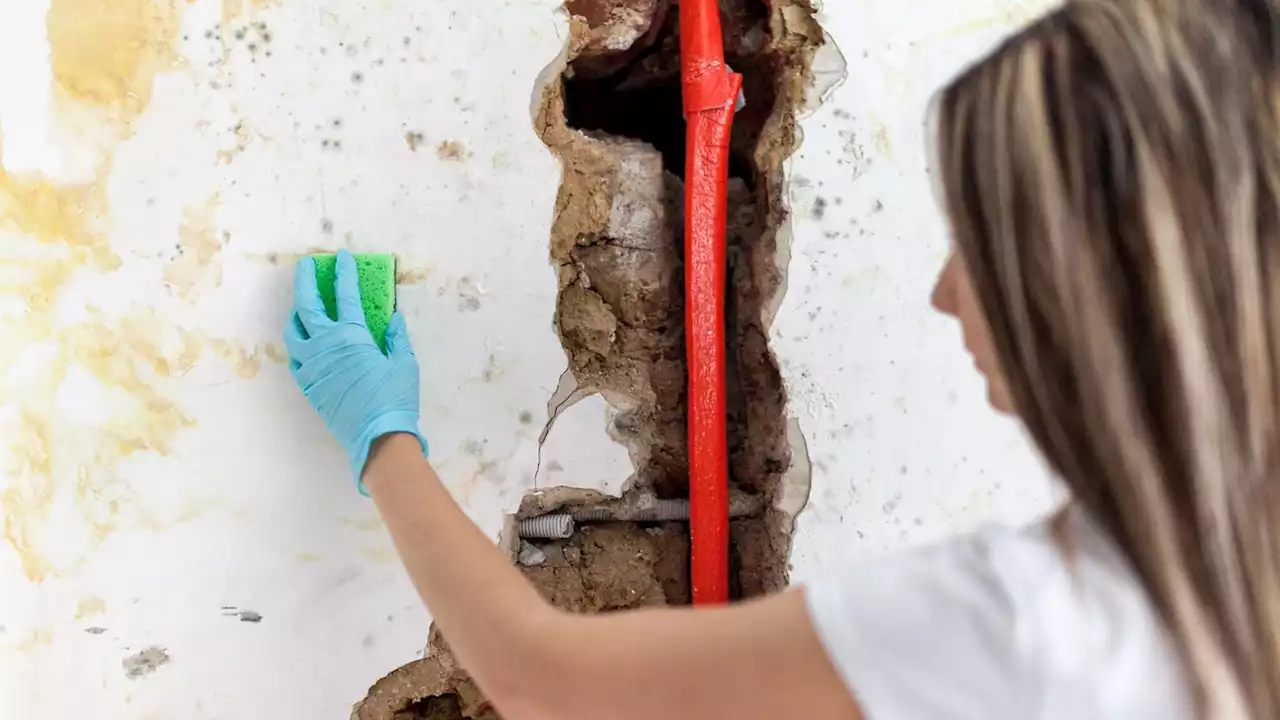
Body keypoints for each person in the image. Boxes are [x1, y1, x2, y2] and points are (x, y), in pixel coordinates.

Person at [283, 0, 1280, 717]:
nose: (941, 294)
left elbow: (542, 679)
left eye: (978, 247)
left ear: (1093, 283)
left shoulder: (1030, 620)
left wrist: (383, 442)